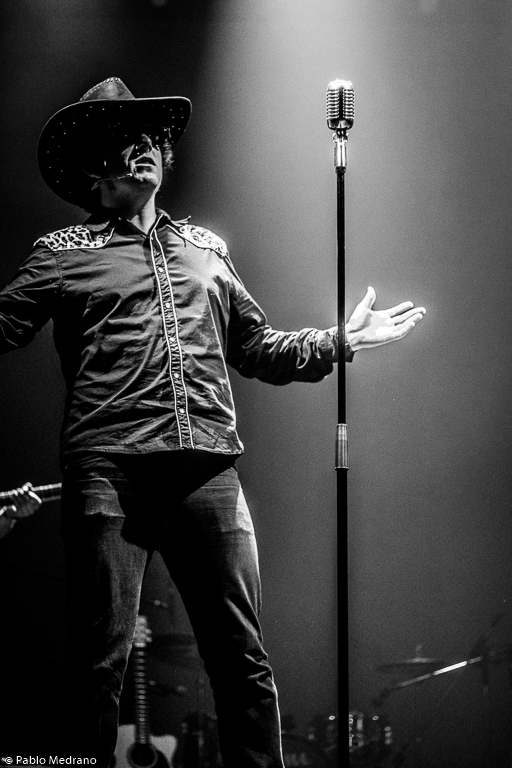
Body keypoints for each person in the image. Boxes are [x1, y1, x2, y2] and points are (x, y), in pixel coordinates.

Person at [0, 78, 426, 766]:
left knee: (241, 657)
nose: (142, 149)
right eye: (123, 141)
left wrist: (339, 341)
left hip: (206, 471)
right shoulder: (63, 251)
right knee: (97, 660)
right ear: (93, 168)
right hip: (109, 468)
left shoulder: (206, 247)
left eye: (150, 139)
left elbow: (256, 347)